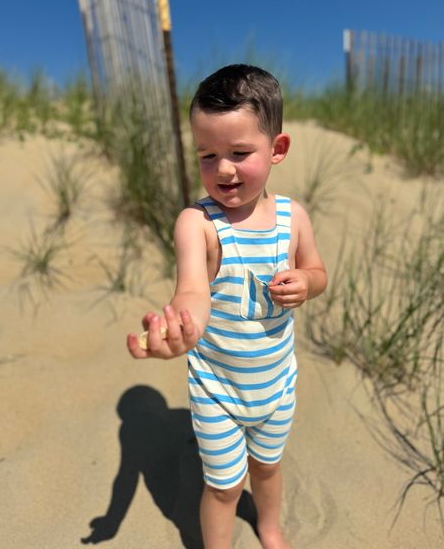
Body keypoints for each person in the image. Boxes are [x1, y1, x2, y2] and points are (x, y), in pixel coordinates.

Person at [127, 64, 327, 549]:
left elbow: (318, 272)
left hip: (277, 384)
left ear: (277, 149)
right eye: (207, 155)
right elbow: (193, 289)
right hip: (218, 391)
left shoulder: (292, 217)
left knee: (267, 466)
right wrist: (183, 327)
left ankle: (270, 527)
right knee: (222, 487)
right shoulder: (197, 222)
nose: (224, 169)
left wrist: (306, 281)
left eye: (240, 153)